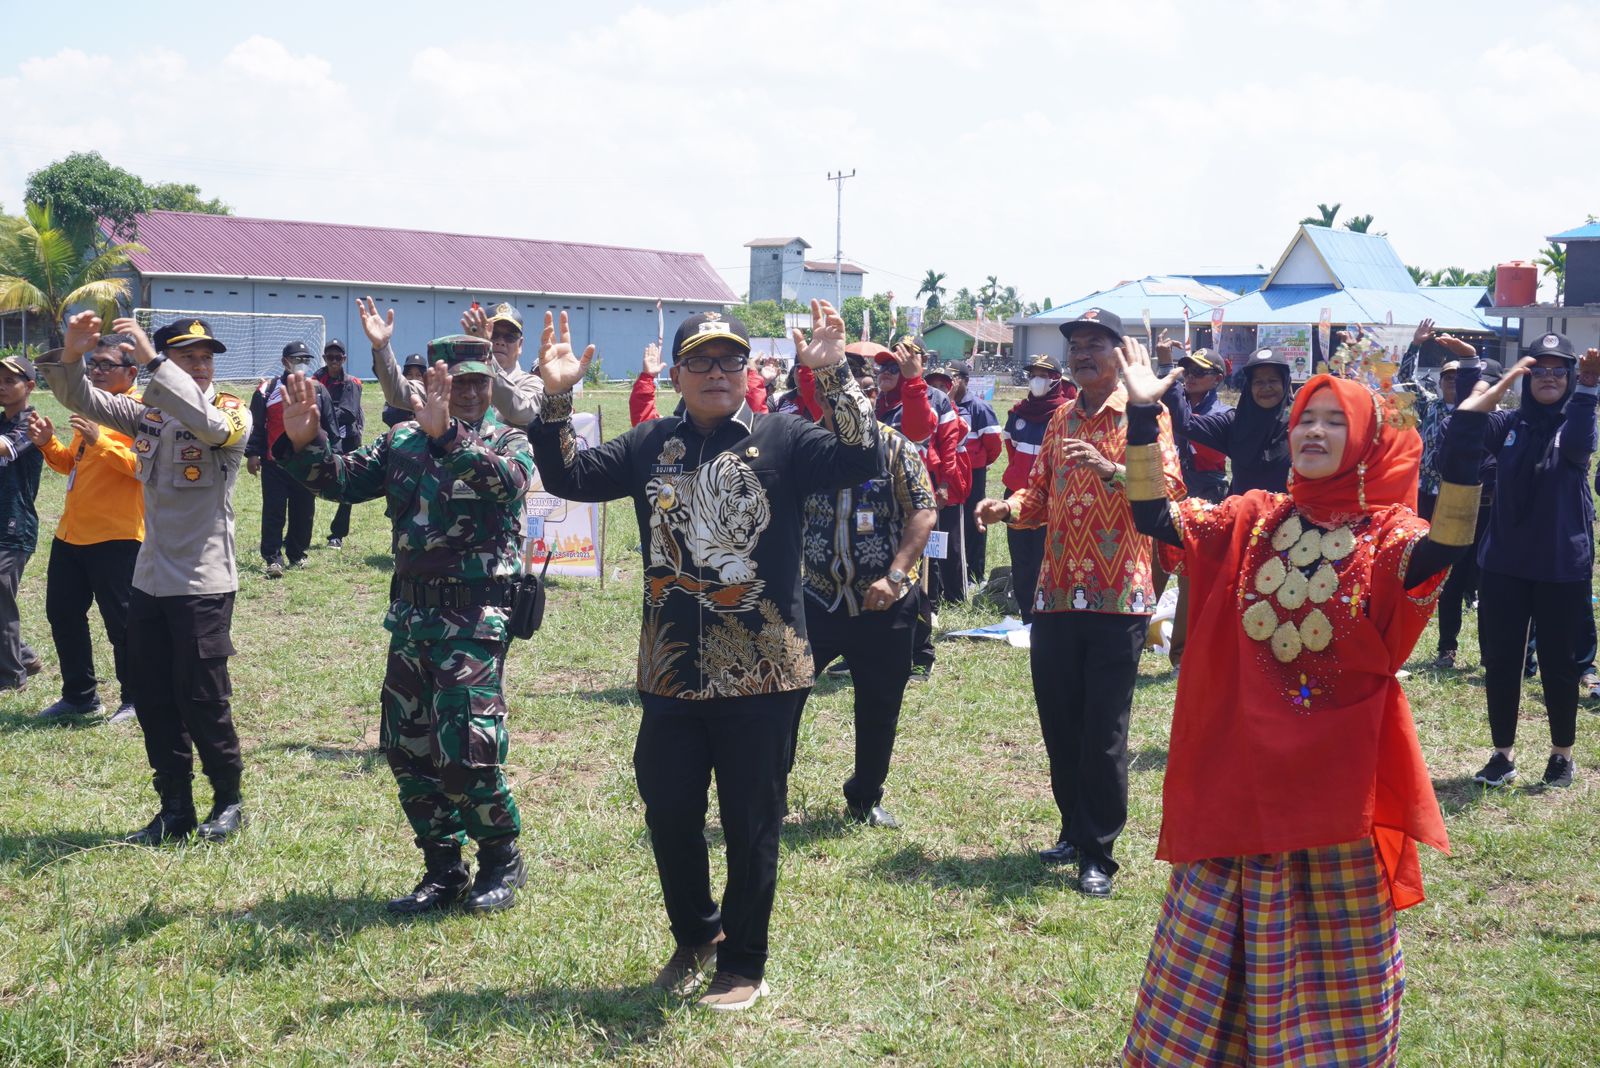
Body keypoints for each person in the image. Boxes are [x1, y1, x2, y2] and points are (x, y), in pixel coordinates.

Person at [1115, 336, 1515, 1066]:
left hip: (1334, 793)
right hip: (1237, 780)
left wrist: (1464, 437)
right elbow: (1155, 518)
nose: (1315, 432)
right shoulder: (1252, 517)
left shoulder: (1386, 535)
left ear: (1363, 439)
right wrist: (1145, 416)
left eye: (1335, 421)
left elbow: (1447, 548)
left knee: (1331, 964)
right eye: (1306, 419)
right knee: (1208, 960)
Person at [528, 301, 880, 1011]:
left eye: (729, 360)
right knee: (668, 811)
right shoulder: (650, 443)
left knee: (752, 822)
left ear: (748, 371)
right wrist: (557, 399)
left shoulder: (785, 437)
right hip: (671, 671)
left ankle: (743, 964)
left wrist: (834, 374)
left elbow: (860, 455)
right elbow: (569, 477)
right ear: (676, 374)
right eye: (700, 361)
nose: (716, 372)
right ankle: (697, 935)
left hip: (764, 672)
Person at [277, 335, 535, 913]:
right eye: (456, 382)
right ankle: (443, 867)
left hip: (474, 620)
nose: (469, 392)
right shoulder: (402, 440)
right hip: (412, 619)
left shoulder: (507, 440)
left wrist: (449, 436)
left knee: (465, 749)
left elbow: (508, 483)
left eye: (479, 381)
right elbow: (341, 480)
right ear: (432, 384)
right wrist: (305, 441)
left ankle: (501, 858)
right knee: (407, 749)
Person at [972, 308, 1185, 897]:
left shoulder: (1145, 413)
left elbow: (1169, 490)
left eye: (1095, 344)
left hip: (1120, 597)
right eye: (1076, 346)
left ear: (1120, 354)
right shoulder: (1062, 416)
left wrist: (1112, 468)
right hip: (1057, 593)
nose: (1082, 354)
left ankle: (1098, 852)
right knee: (1060, 720)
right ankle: (1071, 829)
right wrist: (1007, 508)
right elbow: (1039, 492)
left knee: (1104, 730)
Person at [39, 313, 251, 845]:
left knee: (202, 698)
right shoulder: (148, 416)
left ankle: (228, 800)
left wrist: (156, 362)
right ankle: (174, 808)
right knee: (154, 697)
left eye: (205, 358)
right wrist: (71, 352)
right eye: (187, 357)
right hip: (150, 579)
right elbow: (79, 396)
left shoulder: (231, 412)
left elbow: (210, 428)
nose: (200, 366)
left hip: (203, 582)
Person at [793, 354, 937, 828]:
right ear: (821, 399)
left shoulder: (896, 447)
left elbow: (923, 511)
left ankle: (865, 797)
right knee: (783, 696)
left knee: (879, 705)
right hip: (817, 597)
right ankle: (769, 787)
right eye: (840, 395)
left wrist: (895, 576)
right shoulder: (805, 448)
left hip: (885, 602)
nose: (854, 403)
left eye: (865, 392)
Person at [1469, 333, 1600, 789]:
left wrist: (1588, 389)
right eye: (1538, 370)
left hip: (1561, 565)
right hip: (1504, 563)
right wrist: (1495, 377)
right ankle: (1502, 754)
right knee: (1501, 660)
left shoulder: (1576, 418)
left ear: (1570, 377)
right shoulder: (1509, 423)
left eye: (1558, 370)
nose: (1548, 378)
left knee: (1559, 663)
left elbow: (1579, 447)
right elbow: (1466, 423)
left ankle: (1562, 755)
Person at [26, 333, 143, 722]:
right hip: (71, 534)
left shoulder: (143, 412)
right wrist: (48, 444)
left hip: (118, 536)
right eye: (93, 364)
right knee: (62, 614)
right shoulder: (91, 406)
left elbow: (144, 469)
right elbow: (72, 464)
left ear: (132, 372)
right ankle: (79, 696)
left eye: (106, 364)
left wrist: (100, 441)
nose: (96, 371)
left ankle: (137, 697)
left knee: (122, 623)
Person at [246, 342, 335, 578]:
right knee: (274, 511)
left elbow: (329, 426)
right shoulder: (267, 389)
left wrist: (331, 455)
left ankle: (297, 554)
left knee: (303, 511)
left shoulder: (317, 389)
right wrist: (253, 454)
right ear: (285, 362)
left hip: (306, 464)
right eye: (296, 359)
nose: (301, 364)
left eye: (305, 359)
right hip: (274, 463)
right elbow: (256, 425)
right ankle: (273, 558)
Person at [1000, 354, 1073, 624]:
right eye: (1033, 375)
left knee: (1046, 557)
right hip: (1017, 497)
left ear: (1056, 380)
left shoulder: (1067, 414)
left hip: (1051, 498)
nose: (1037, 380)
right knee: (1021, 558)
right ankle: (1026, 616)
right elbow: (1012, 451)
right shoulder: (1017, 413)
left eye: (1043, 375)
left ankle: (1048, 614)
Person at [1168, 345, 1294, 496]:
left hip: (1287, 511)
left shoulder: (1299, 425)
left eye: (1273, 380)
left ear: (1285, 383)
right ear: (1249, 387)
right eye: (1258, 382)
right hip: (1241, 510)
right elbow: (1185, 423)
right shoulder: (1234, 424)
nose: (1266, 387)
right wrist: (1166, 370)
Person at [934, 361, 1002, 587]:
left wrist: (979, 463)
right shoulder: (938, 403)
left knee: (975, 519)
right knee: (953, 522)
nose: (951, 383)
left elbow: (994, 445)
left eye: (955, 378)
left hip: (973, 471)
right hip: (949, 473)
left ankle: (975, 572)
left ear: (965, 380)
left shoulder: (979, 408)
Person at [0, 352, 44, 693]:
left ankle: (11, 678)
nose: (1, 386)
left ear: (29, 386)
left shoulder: (33, 425)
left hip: (14, 526)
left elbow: (5, 449)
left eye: (9, 380)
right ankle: (24, 656)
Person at [312, 339, 364, 547]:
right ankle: (298, 535)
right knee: (307, 484)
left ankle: (337, 535)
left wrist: (323, 412)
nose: (333, 361)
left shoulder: (352, 383)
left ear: (344, 359)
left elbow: (349, 413)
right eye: (329, 357)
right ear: (324, 358)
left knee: (346, 487)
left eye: (338, 358)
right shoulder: (316, 379)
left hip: (347, 441)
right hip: (319, 439)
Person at [382, 353, 427, 427]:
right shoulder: (398, 393)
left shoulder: (429, 396)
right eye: (409, 374)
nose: (413, 379)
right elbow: (387, 417)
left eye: (418, 375)